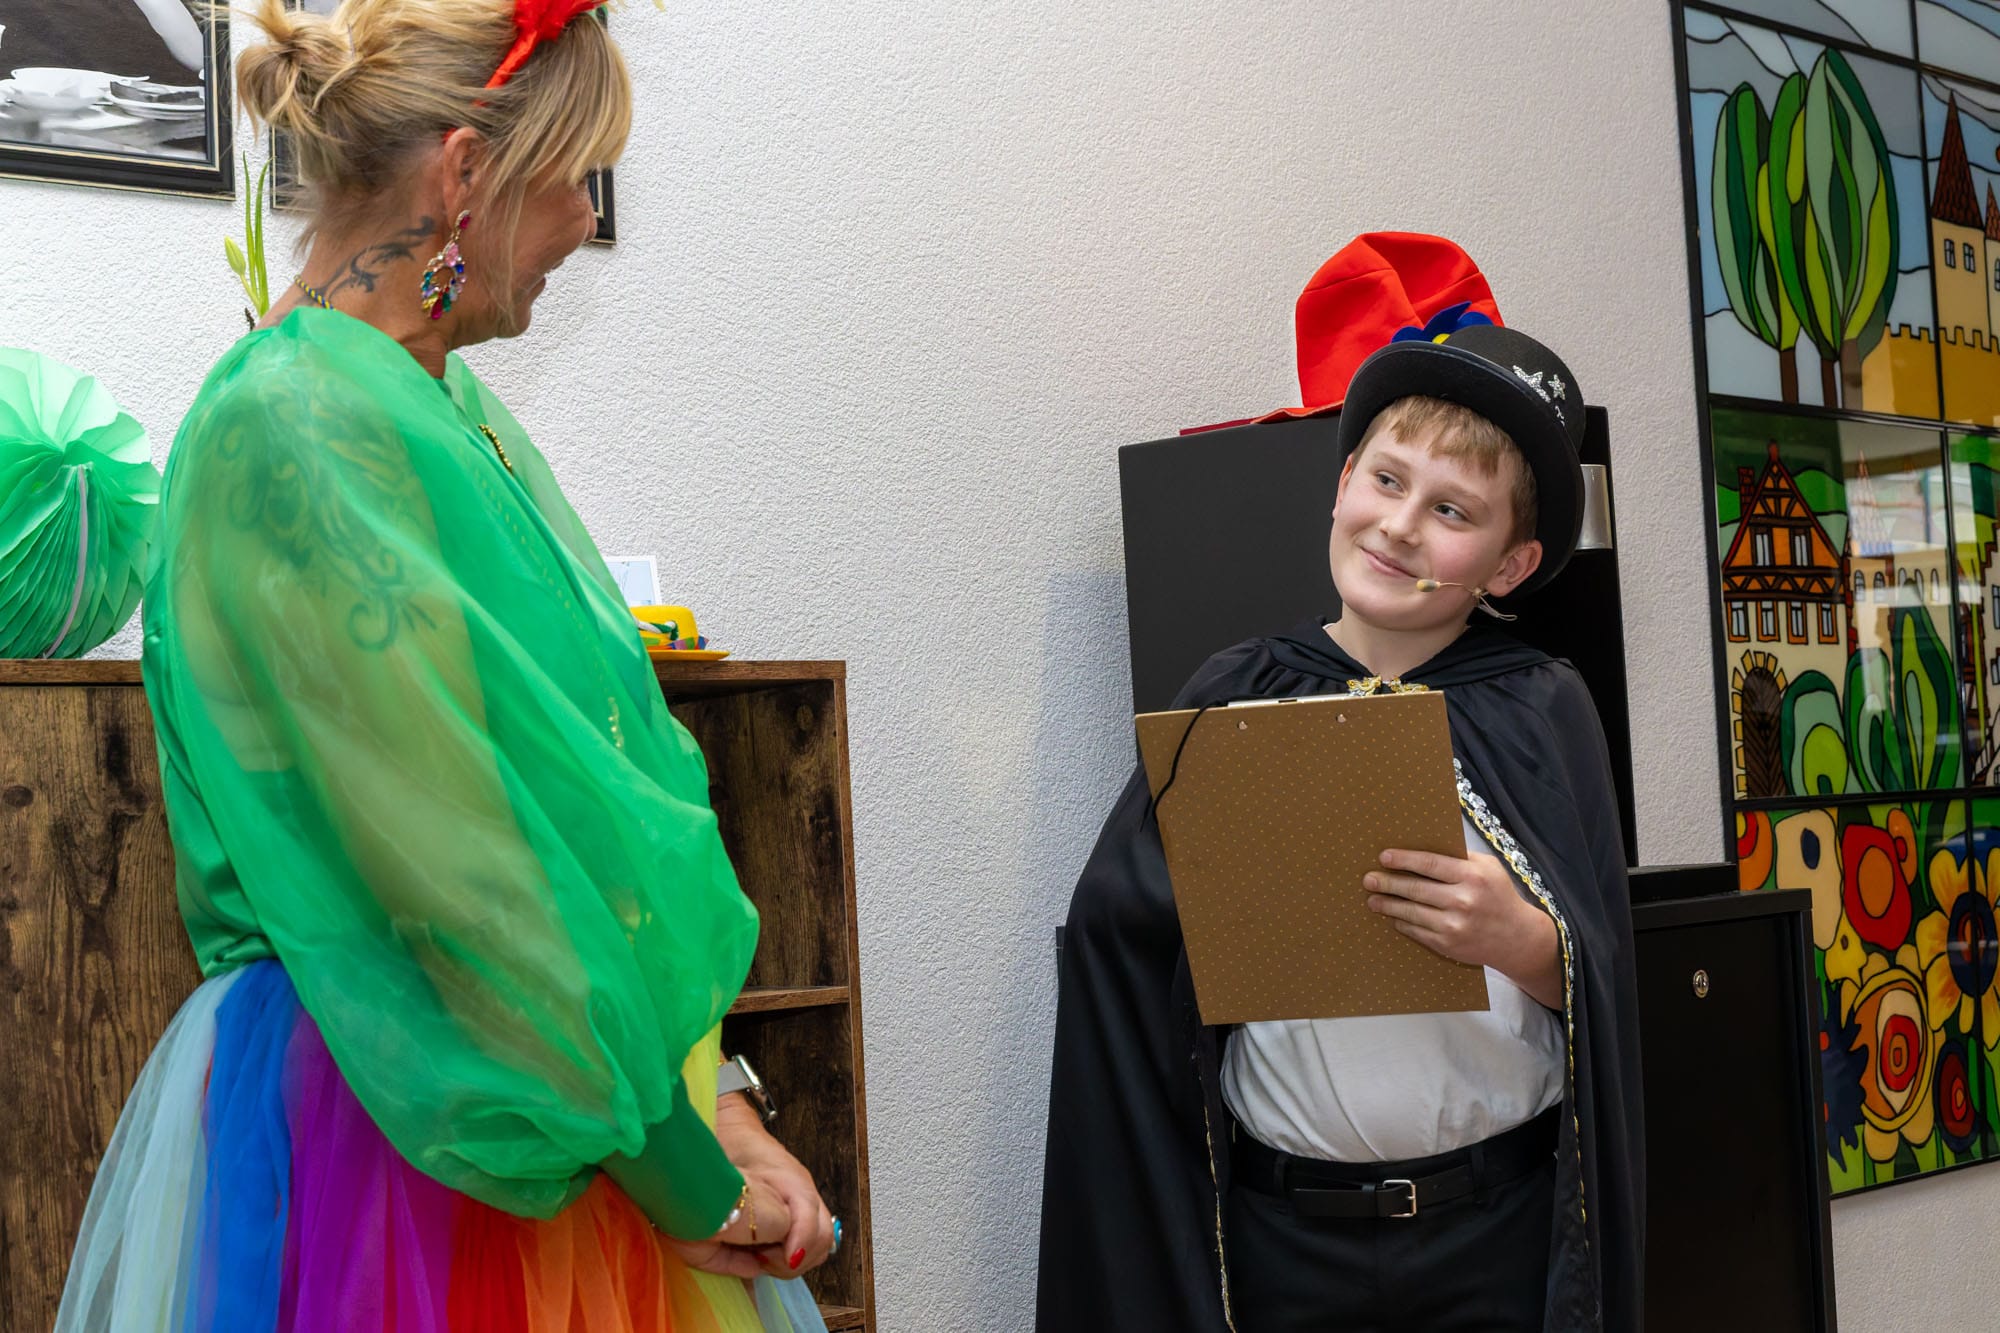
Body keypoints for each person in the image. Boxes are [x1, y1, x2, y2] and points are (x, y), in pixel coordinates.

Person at [56, 2, 837, 1329]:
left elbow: (592, 817)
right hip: (404, 1125)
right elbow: (450, 865)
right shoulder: (292, 422)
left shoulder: (437, 408)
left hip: (561, 1101)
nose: (583, 222)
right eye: (573, 178)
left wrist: (716, 1100)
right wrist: (680, 1172)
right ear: (466, 173)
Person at [1037, 239, 1643, 1332]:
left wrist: (1522, 939)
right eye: (1386, 480)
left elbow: (1606, 976)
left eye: (1453, 511)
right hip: (1283, 1241)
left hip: (1491, 1235)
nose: (1400, 525)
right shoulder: (1235, 692)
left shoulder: (1543, 708)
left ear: (1508, 564)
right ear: (1340, 485)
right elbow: (1115, 948)